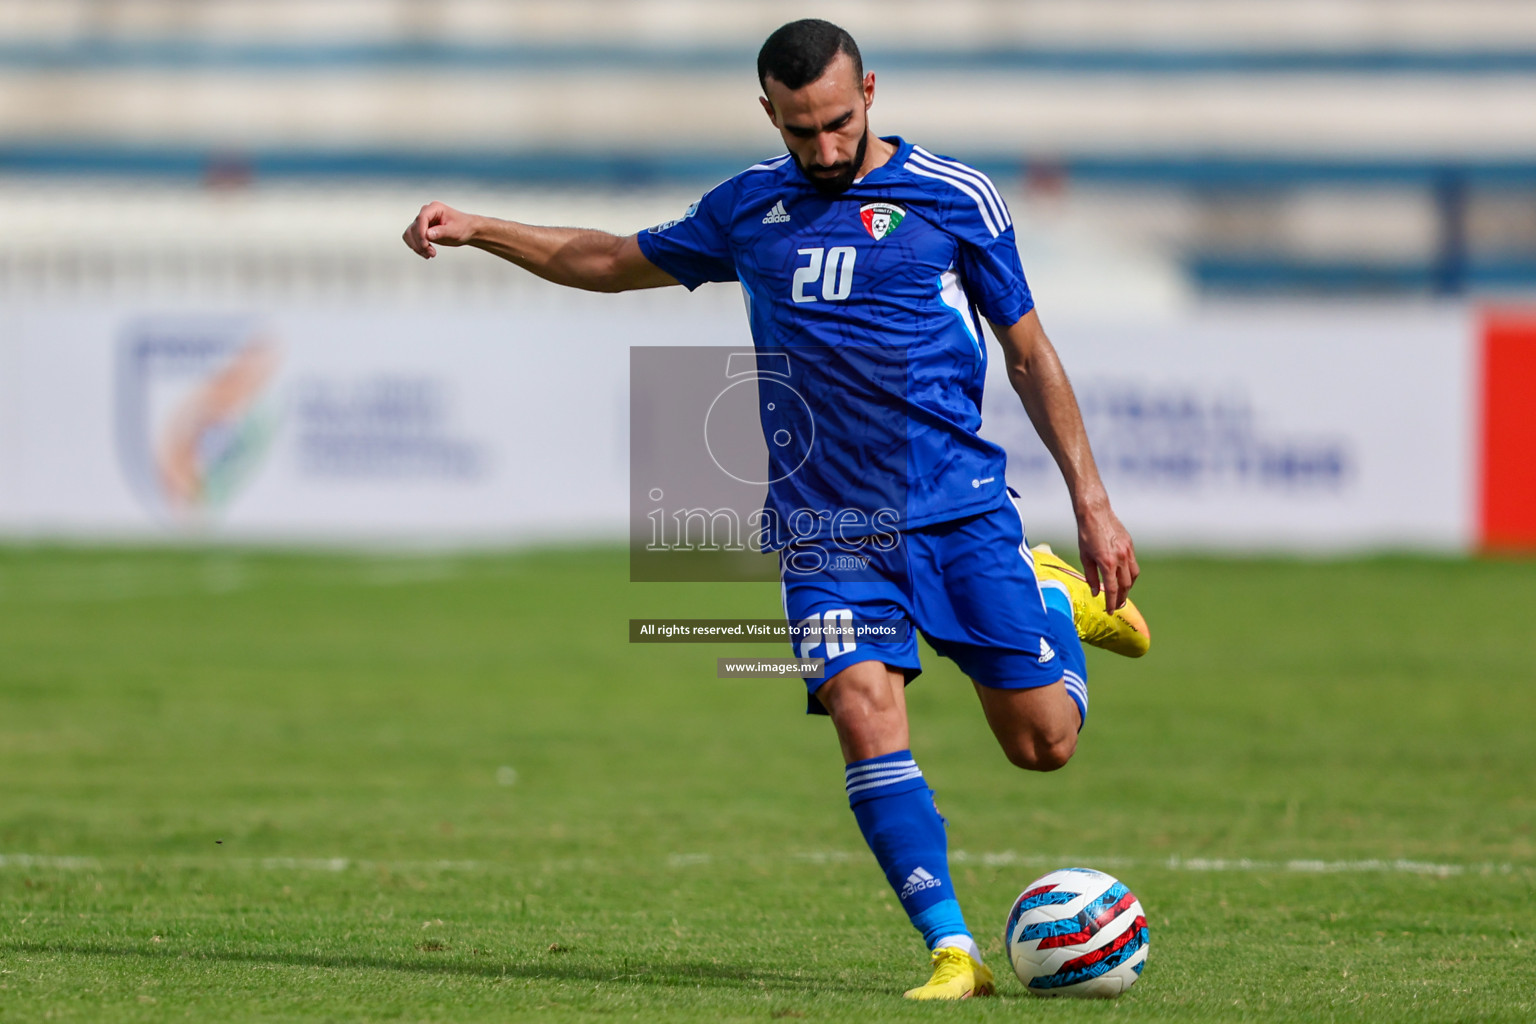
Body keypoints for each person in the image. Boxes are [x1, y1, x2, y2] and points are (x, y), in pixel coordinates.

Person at [403, 18, 1150, 1000]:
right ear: (769, 114)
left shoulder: (954, 198)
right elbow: (608, 260)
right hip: (826, 528)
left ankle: (1049, 593)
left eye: (840, 123)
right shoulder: (747, 210)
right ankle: (953, 950)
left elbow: (1028, 352)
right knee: (860, 702)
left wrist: (1092, 505)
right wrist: (479, 228)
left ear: (871, 92)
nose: (826, 148)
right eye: (803, 131)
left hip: (959, 512)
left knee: (1042, 745)